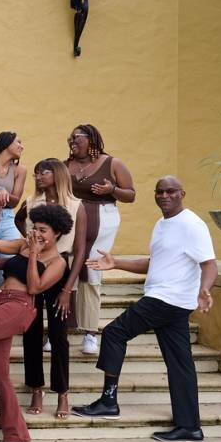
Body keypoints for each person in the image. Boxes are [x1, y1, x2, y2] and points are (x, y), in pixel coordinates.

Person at [72, 177, 217, 442]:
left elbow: (209, 264)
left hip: (167, 299)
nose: (164, 195)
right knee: (180, 364)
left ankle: (109, 401)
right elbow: (153, 262)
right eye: (160, 191)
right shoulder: (163, 224)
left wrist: (204, 289)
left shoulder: (192, 224)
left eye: (171, 191)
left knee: (115, 333)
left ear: (182, 193)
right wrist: (116, 263)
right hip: (170, 301)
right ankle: (190, 428)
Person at [0, 205, 72, 442]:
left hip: (18, 308)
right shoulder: (22, 245)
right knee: (1, 373)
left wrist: (33, 256)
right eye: (34, 228)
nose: (37, 234)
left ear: (57, 233)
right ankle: (15, 433)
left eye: (43, 230)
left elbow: (34, 287)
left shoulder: (57, 262)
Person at [22, 159, 87, 418]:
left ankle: (62, 393)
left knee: (59, 336)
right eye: (36, 171)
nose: (37, 175)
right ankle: (36, 389)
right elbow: (20, 223)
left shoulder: (76, 206)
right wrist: (31, 245)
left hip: (62, 271)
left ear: (58, 175)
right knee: (31, 333)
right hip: (35, 269)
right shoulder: (31, 203)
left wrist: (67, 289)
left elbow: (81, 250)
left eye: (44, 171)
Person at [65, 124, 135, 355]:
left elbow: (131, 194)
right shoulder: (67, 165)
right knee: (68, 270)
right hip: (73, 220)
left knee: (91, 269)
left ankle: (90, 333)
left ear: (92, 139)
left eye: (78, 137)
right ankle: (63, 330)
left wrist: (111, 189)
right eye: (71, 137)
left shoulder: (112, 163)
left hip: (102, 219)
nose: (73, 141)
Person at [0, 132, 28, 282]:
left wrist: (2, 192)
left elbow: (15, 201)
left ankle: (3, 302)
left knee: (10, 264)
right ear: (6, 143)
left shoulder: (20, 170)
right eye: (18, 142)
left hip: (7, 217)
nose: (21, 147)